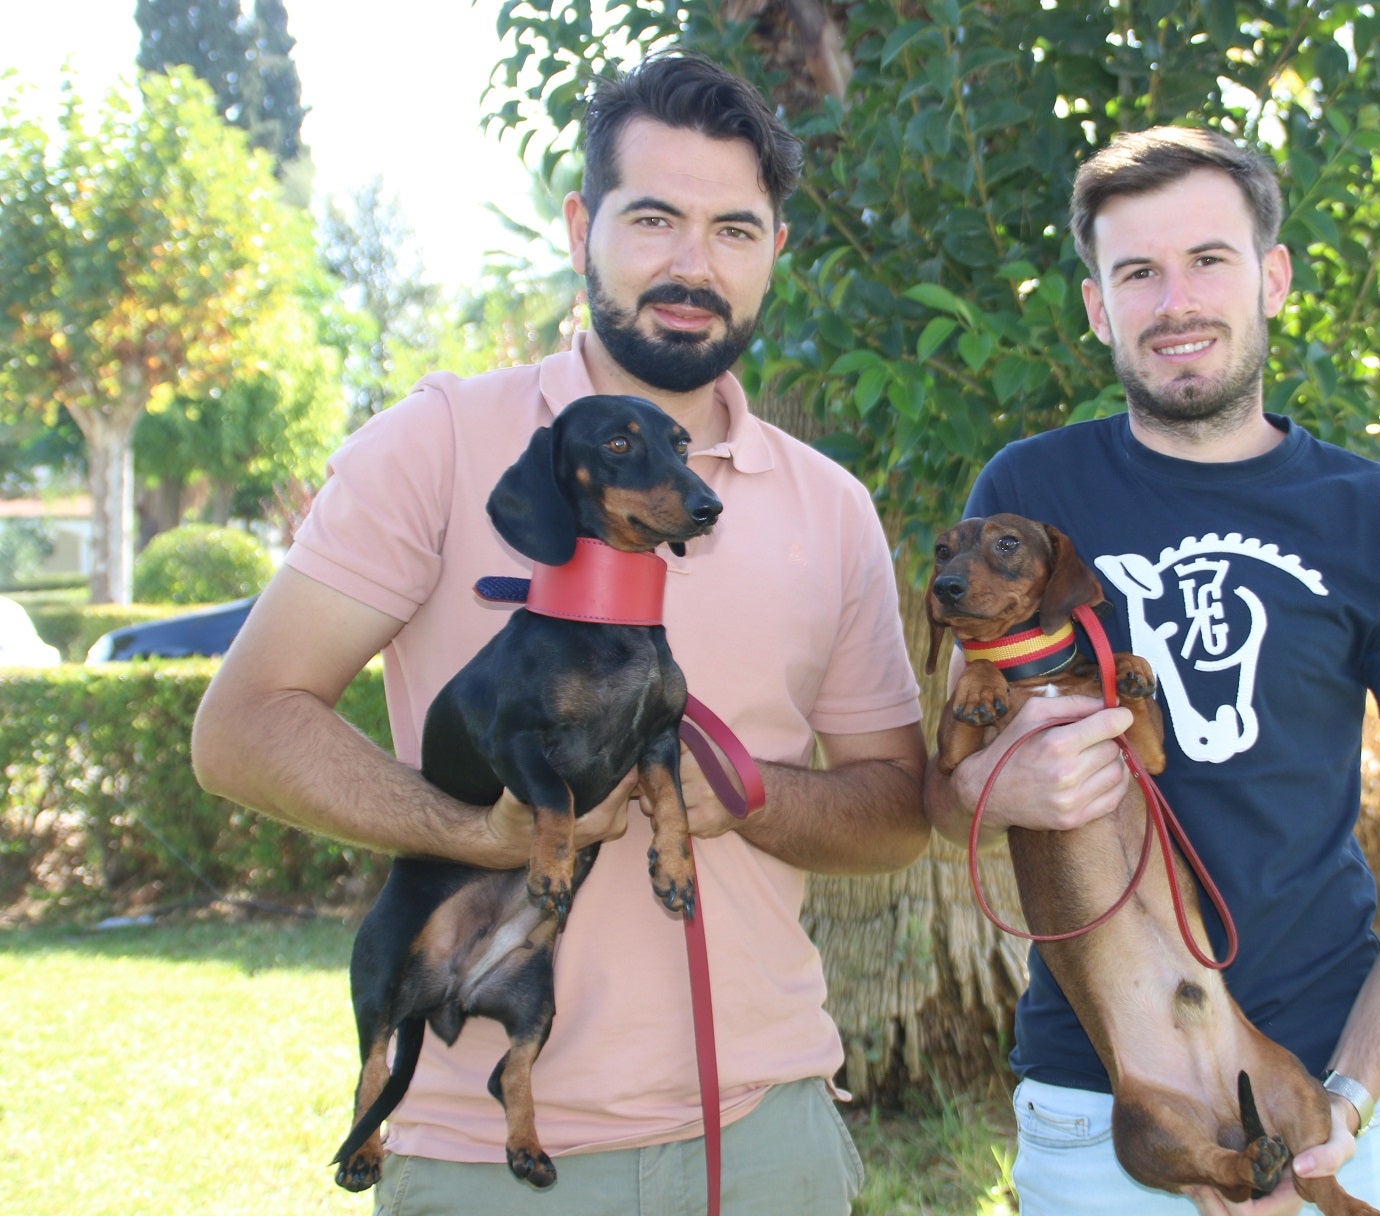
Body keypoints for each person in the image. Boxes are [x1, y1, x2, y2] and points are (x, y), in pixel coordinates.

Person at [193, 53, 928, 1216]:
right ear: (583, 225)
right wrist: (475, 831)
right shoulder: (435, 443)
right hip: (483, 1159)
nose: (694, 263)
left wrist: (738, 796)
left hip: (766, 1135)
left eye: (736, 228)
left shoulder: (828, 505)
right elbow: (242, 728)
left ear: (776, 250)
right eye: (655, 219)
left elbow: (896, 810)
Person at [923, 126, 1380, 1216]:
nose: (1174, 300)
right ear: (1097, 307)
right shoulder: (1025, 495)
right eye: (1136, 272)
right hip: (1103, 1105)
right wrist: (985, 788)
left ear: (1272, 276)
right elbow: (941, 794)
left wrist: (1345, 1100)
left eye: (1209, 260)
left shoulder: (1379, 516)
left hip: (1323, 1092)